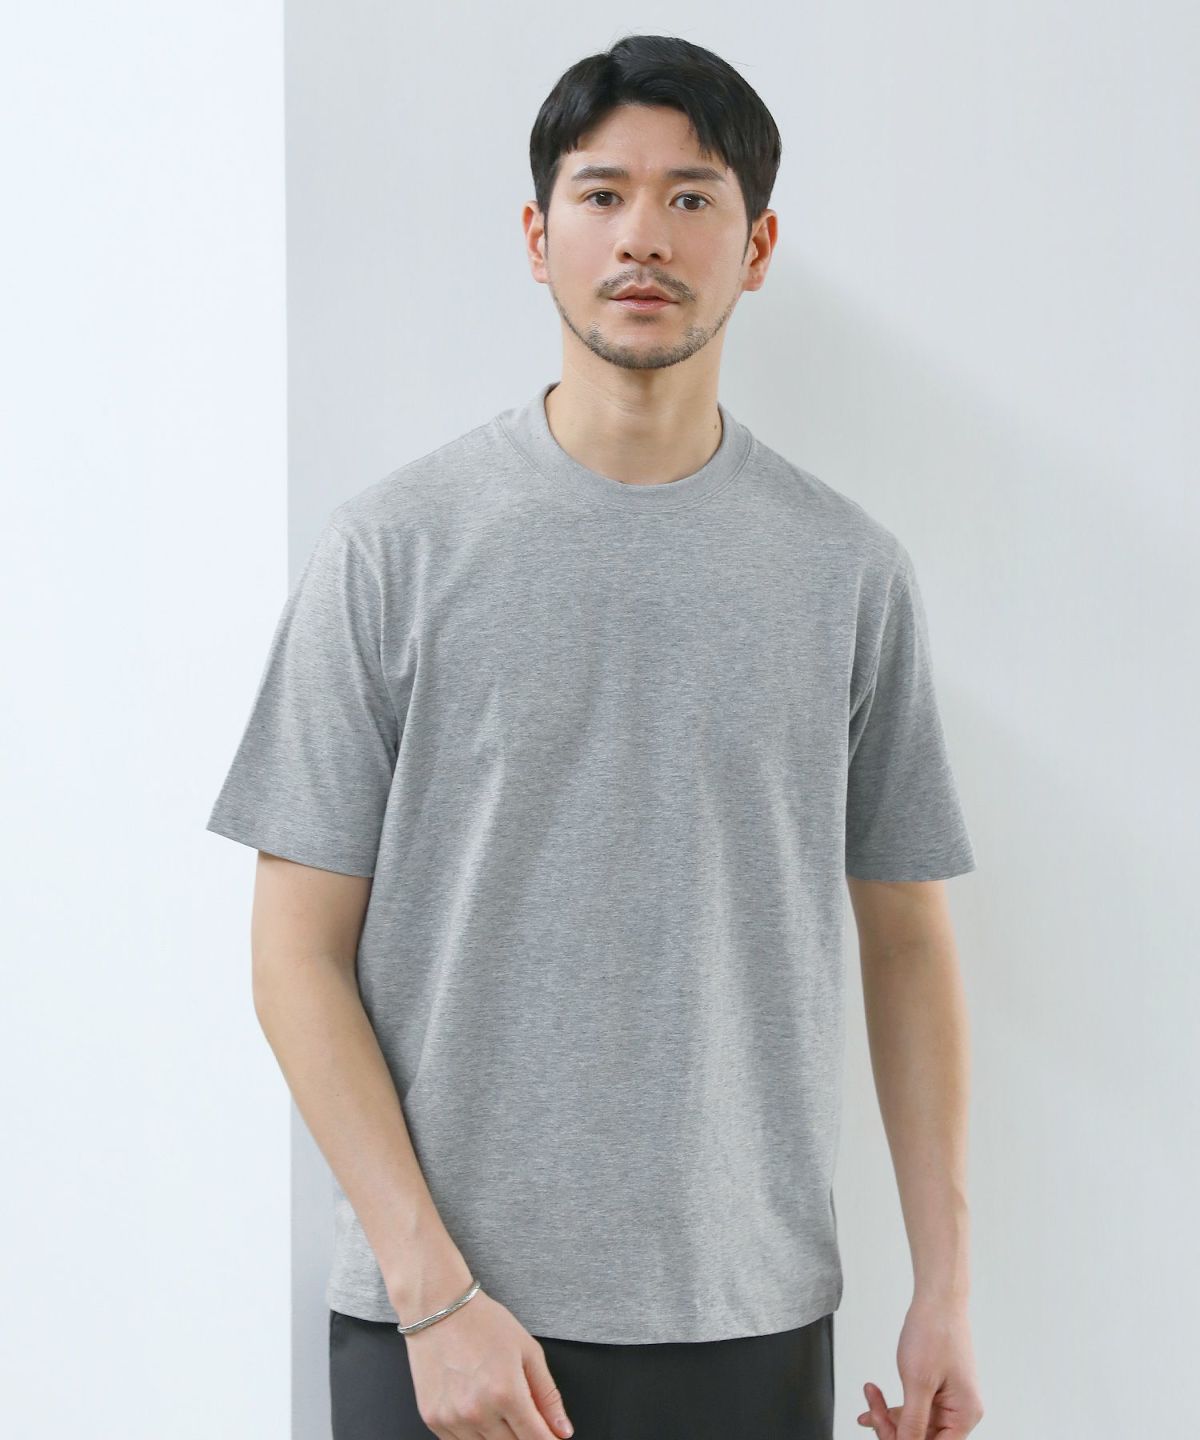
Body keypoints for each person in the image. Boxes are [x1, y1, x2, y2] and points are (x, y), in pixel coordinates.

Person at [206, 32, 985, 1440]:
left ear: (756, 248)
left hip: (746, 1318)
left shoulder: (847, 572)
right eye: (602, 194)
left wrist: (946, 1286)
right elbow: (292, 954)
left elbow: (909, 943)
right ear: (537, 235)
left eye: (692, 198)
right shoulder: (391, 550)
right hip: (444, 1327)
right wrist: (433, 1295)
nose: (643, 237)